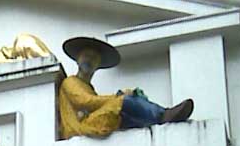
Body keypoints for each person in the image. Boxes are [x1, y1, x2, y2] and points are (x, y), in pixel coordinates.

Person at [59, 36, 194, 139]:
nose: (89, 60)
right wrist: (118, 96)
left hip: (91, 123)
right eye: (86, 56)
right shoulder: (70, 82)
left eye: (94, 58)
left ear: (98, 64)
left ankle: (155, 123)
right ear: (78, 59)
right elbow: (84, 101)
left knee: (125, 116)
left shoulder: (89, 87)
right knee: (122, 102)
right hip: (79, 128)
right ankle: (162, 115)